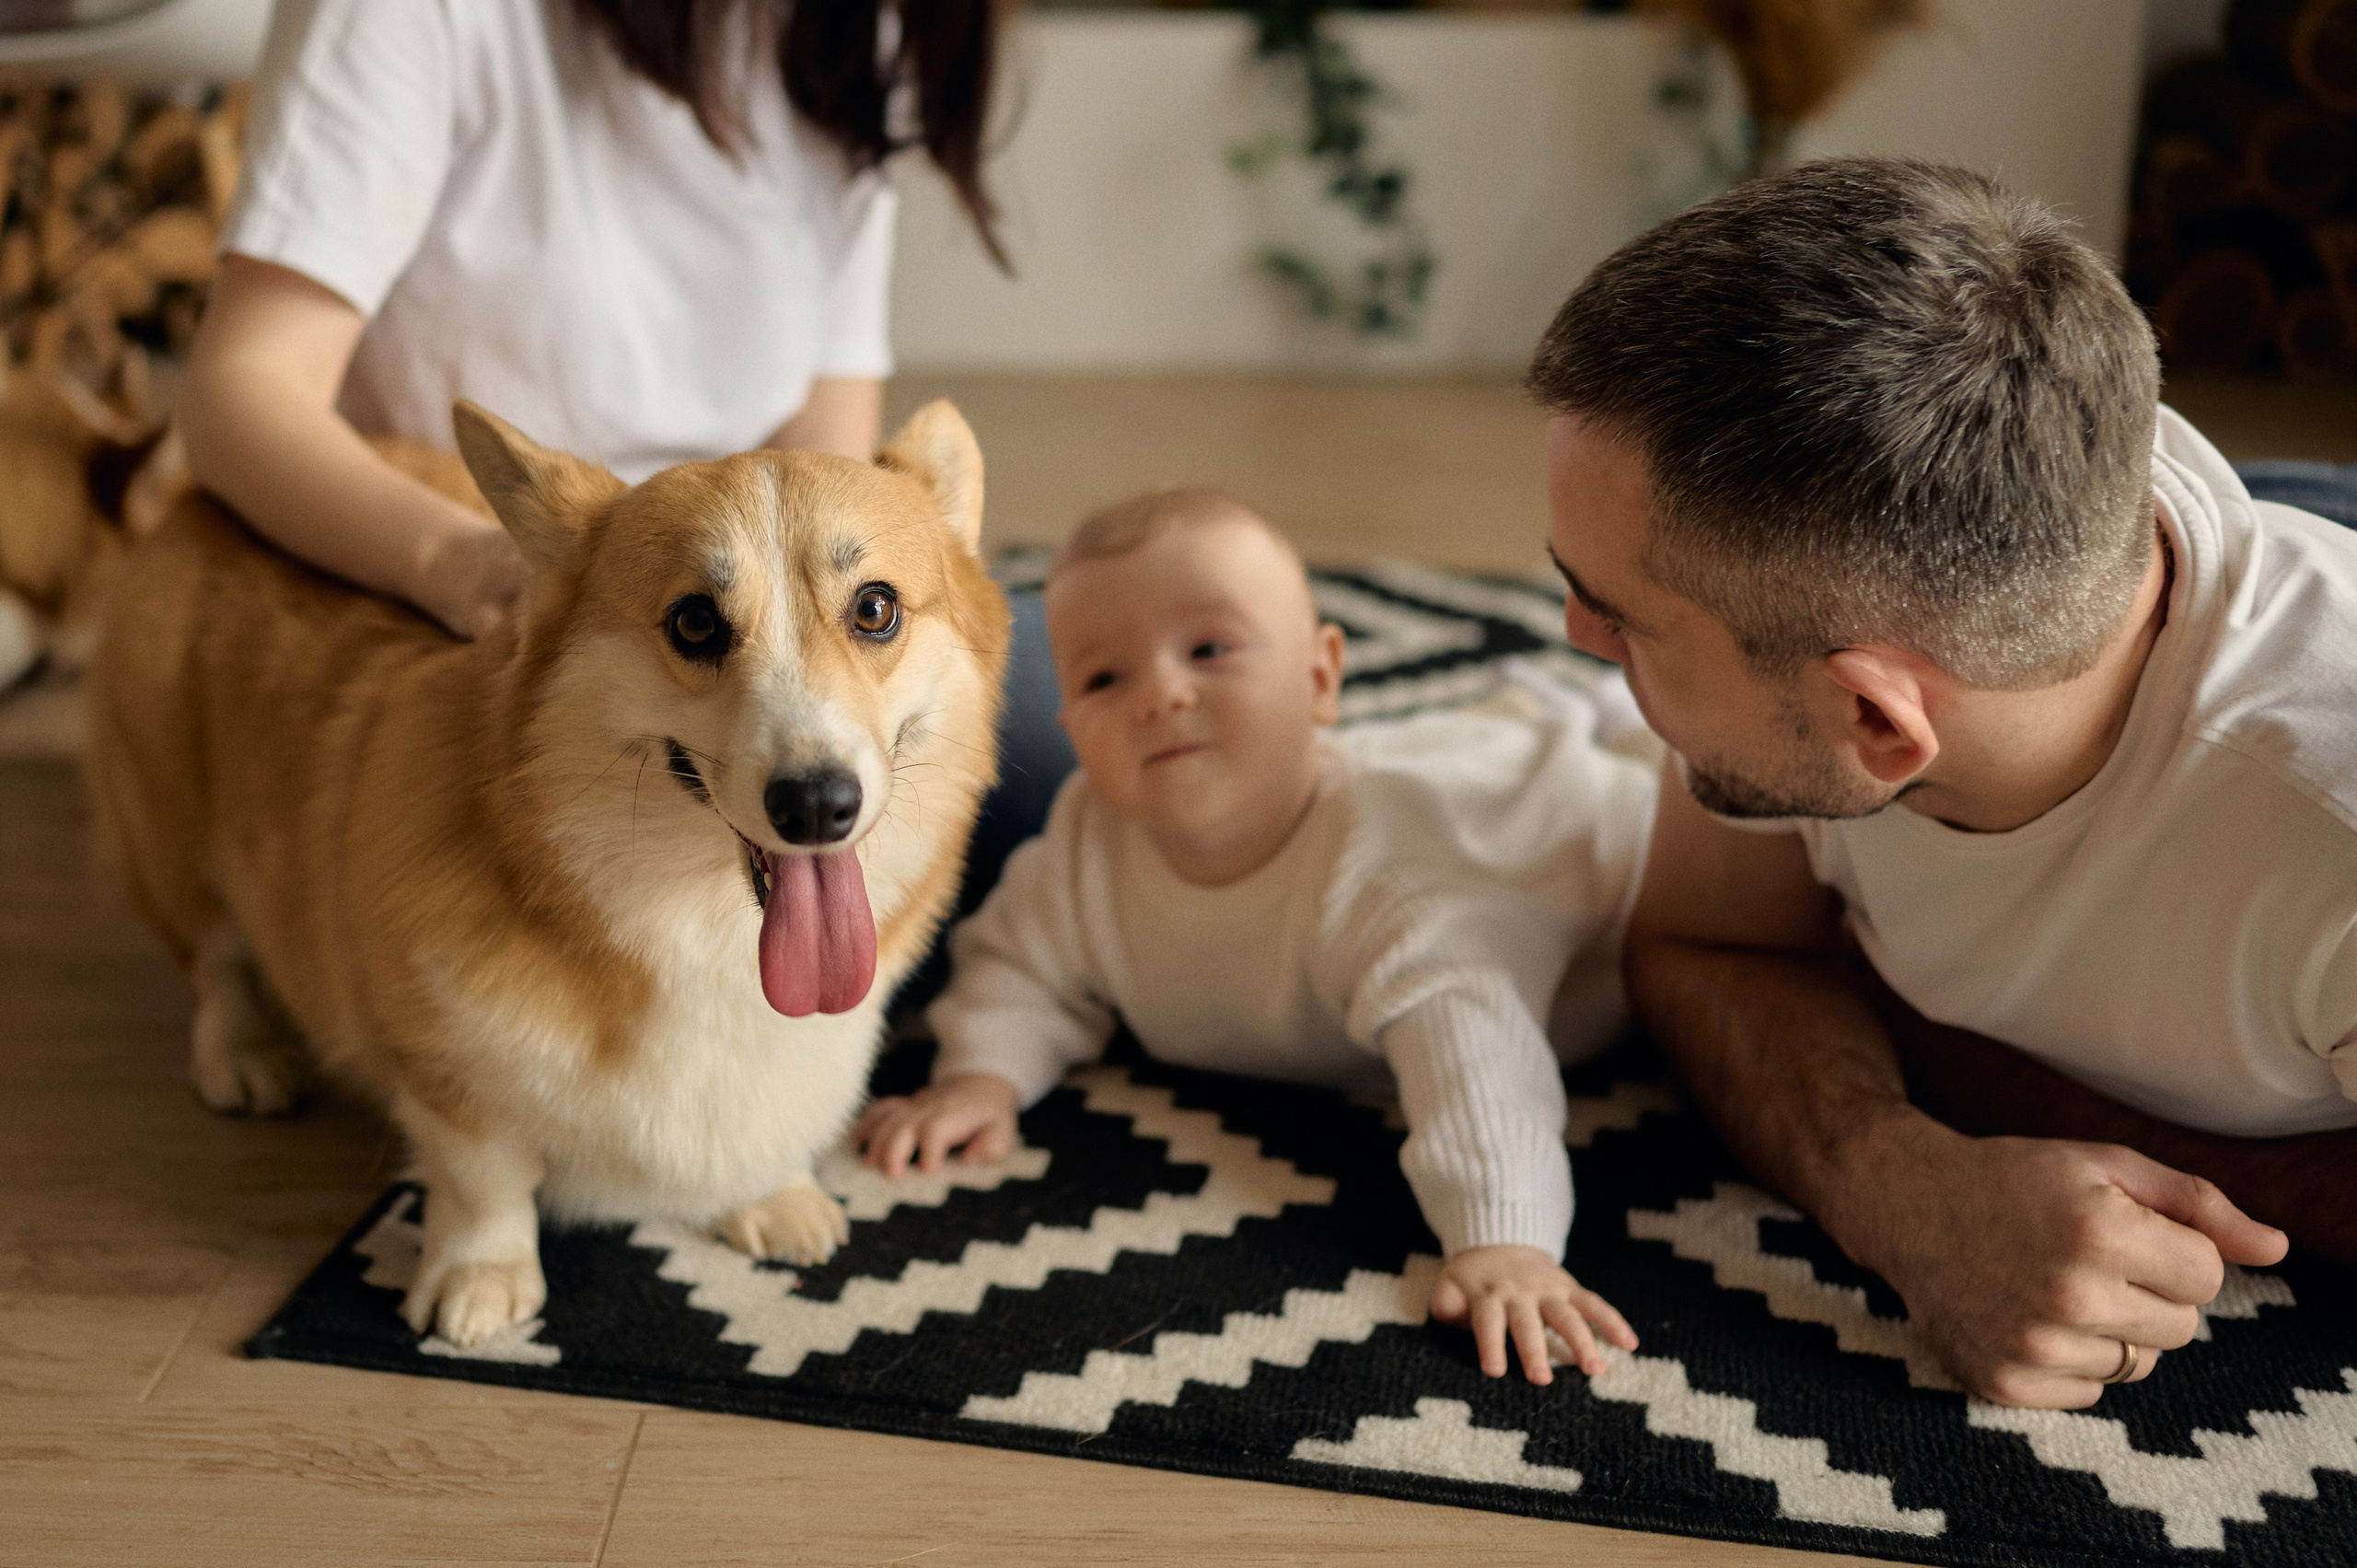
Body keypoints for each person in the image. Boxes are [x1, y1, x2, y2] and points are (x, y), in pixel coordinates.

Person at [1529, 156, 2357, 1411]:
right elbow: (1707, 940)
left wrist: (1952, 1065)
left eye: (1620, 617)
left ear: (1876, 717)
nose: (1577, 639)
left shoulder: (2325, 838)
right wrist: (1906, 1181)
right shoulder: (1875, 612)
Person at [854, 487, 1658, 1385]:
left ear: (1320, 678)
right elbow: (1019, 960)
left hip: (1593, 861)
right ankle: (1554, 713)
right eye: (1104, 678)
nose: (1160, 692)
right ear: (1070, 726)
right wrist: (983, 1071)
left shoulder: (1384, 876)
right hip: (1440, 806)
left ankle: (1602, 721)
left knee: (1585, 777)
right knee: (1461, 752)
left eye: (1209, 648)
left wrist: (1504, 1240)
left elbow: (1478, 1054)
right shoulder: (1087, 842)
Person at [178, 0, 1003, 640]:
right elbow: (239, 392)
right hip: (485, 590)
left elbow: (826, 453)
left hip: (754, 623)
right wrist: (458, 562)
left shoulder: (853, 35)